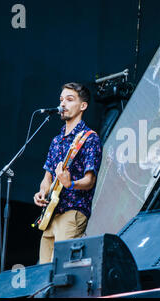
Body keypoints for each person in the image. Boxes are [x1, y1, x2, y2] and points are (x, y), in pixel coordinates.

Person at [34, 82, 102, 264]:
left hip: (72, 212)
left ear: (83, 106)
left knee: (61, 270)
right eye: (61, 99)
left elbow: (90, 180)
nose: (62, 104)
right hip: (51, 213)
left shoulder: (90, 138)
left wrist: (70, 183)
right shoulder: (56, 141)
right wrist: (42, 192)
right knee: (42, 271)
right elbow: (47, 178)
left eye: (69, 100)